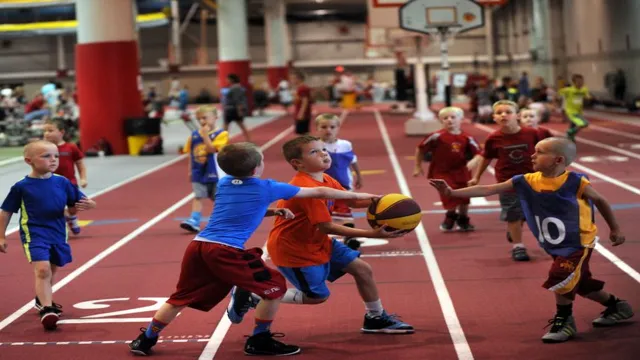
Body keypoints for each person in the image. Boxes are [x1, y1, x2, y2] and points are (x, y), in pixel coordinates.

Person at [128, 142, 380, 357]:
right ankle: (259, 339)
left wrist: (272, 211)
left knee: (180, 297)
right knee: (274, 288)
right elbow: (320, 191)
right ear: (256, 168)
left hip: (198, 246)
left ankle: (146, 339)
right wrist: (370, 196)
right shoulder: (266, 187)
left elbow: (239, 209)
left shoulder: (226, 183)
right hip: (225, 251)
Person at [430, 137, 634, 343]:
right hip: (552, 244)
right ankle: (617, 306)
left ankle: (564, 321)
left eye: (540, 152)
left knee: (560, 275)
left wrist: (614, 228)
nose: (532, 155)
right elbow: (488, 189)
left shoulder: (575, 182)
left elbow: (600, 200)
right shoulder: (526, 180)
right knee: (580, 283)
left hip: (578, 242)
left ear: (558, 160)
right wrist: (451, 192)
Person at [227, 136, 414, 335]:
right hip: (295, 250)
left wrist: (385, 202)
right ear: (297, 163)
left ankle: (375, 317)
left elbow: (351, 201)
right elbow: (326, 226)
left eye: (324, 149)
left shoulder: (325, 179)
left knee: (362, 269)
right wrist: (372, 233)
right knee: (317, 297)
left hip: (317, 241)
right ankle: (256, 295)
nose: (324, 153)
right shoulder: (306, 188)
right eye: (314, 151)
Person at [0, 140, 96, 330]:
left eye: (56, 156)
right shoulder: (22, 187)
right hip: (34, 232)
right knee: (42, 269)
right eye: (46, 156)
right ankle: (47, 308)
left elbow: (76, 203)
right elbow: (5, 211)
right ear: (29, 161)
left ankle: (41, 298)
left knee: (52, 270)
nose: (53, 160)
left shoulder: (62, 182)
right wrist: (1, 236)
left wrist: (89, 205)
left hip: (58, 233)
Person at [468, 100, 542, 261]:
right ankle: (518, 247)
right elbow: (486, 157)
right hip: (507, 182)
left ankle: (513, 229)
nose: (503, 115)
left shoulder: (532, 133)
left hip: (533, 179)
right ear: (494, 117)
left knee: (528, 212)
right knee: (513, 213)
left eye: (508, 112)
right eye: (499, 112)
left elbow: (544, 152)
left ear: (517, 115)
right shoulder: (493, 138)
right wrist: (476, 176)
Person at [413, 107, 481, 232]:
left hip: (462, 172)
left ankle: (463, 218)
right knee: (448, 194)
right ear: (441, 121)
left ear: (460, 119)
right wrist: (417, 166)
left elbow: (479, 153)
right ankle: (450, 215)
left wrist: (474, 160)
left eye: (453, 117)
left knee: (465, 196)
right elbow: (420, 148)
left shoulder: (467, 137)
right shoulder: (436, 136)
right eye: (445, 118)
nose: (449, 120)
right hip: (442, 172)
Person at [315, 113, 363, 249]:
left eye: (332, 127)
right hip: (322, 186)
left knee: (345, 211)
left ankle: (350, 237)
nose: (328, 130)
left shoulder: (345, 145)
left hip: (343, 184)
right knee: (322, 213)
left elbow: (353, 161)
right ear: (317, 128)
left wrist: (359, 176)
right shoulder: (314, 146)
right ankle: (318, 238)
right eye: (323, 127)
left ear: (338, 128)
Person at [180, 106, 229, 233]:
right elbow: (191, 153)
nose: (202, 121)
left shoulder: (222, 134)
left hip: (215, 172)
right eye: (199, 119)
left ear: (215, 117)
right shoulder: (194, 135)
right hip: (199, 171)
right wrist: (190, 170)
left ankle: (223, 220)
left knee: (218, 198)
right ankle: (194, 220)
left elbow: (211, 149)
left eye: (205, 118)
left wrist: (205, 136)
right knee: (198, 196)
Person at [43, 118, 87, 235]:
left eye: (50, 130)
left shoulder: (71, 147)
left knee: (73, 208)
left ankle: (71, 217)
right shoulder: (42, 148)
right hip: (50, 183)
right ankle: (62, 223)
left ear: (61, 132)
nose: (46, 133)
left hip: (70, 183)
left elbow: (80, 164)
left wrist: (83, 178)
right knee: (55, 206)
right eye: (45, 131)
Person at [557, 74, 592, 141]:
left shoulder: (584, 89)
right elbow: (559, 91)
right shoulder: (568, 90)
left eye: (582, 81)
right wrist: (560, 81)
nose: (580, 83)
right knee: (584, 123)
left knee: (573, 125)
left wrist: (588, 98)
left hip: (579, 111)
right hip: (571, 111)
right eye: (578, 82)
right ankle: (570, 132)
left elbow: (587, 96)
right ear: (574, 82)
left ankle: (570, 137)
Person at [223, 73, 251, 142]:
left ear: (231, 79)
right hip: (231, 109)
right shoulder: (235, 87)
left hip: (232, 110)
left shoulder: (235, 88)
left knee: (227, 126)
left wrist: (239, 111)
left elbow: (237, 100)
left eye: (227, 79)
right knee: (228, 126)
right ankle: (248, 139)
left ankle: (248, 139)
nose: (226, 80)